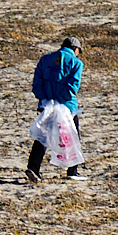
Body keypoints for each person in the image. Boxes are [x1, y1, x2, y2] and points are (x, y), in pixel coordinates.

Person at [28, 34, 84, 181]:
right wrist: (59, 102)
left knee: (42, 136)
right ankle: (72, 171)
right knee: (72, 136)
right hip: (67, 107)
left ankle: (33, 168)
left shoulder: (45, 59)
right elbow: (72, 88)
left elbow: (36, 84)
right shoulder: (76, 63)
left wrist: (47, 100)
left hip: (46, 105)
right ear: (76, 49)